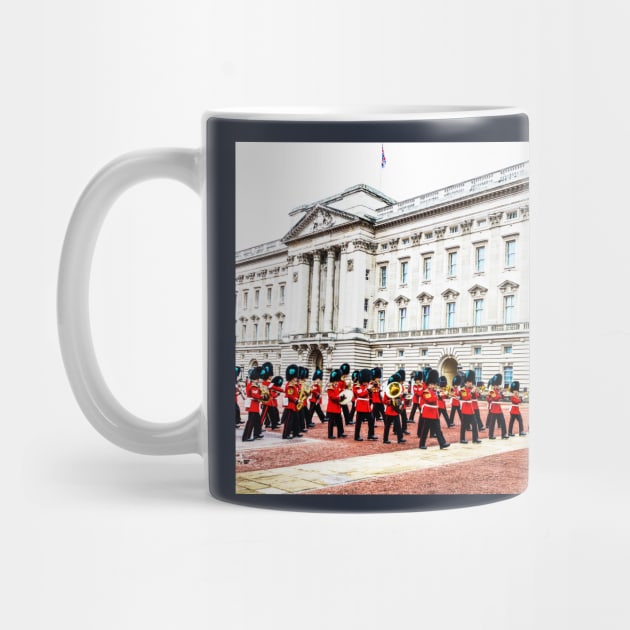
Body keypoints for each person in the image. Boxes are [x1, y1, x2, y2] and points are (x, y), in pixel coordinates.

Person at [418, 369, 450, 450]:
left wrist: (444, 394)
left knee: (438, 429)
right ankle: (422, 444)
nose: (433, 386)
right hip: (428, 413)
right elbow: (430, 400)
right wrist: (438, 395)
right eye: (432, 384)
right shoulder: (426, 392)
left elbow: (439, 398)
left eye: (434, 384)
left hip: (434, 413)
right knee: (425, 430)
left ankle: (442, 443)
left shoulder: (434, 391)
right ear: (428, 384)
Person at [242, 366, 265, 442]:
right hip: (252, 405)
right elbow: (254, 395)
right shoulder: (253, 385)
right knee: (250, 422)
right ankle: (246, 437)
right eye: (258, 378)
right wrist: (262, 396)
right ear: (256, 378)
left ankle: (257, 434)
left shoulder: (254, 385)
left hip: (255, 405)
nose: (259, 380)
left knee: (257, 421)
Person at [353, 369, 377, 441]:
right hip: (361, 406)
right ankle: (356, 436)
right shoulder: (357, 387)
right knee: (358, 422)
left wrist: (372, 388)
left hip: (367, 407)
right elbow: (361, 394)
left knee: (371, 420)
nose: (367, 382)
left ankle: (370, 435)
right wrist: (368, 389)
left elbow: (370, 396)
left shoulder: (367, 386)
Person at [460, 370, 482, 445]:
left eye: (471, 382)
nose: (470, 383)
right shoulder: (463, 390)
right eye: (469, 382)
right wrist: (472, 392)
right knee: (463, 426)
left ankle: (475, 439)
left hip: (471, 410)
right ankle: (462, 439)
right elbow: (466, 398)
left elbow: (476, 397)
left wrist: (477, 392)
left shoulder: (471, 389)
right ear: (465, 383)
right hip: (465, 410)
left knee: (475, 424)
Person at [382, 374, 406, 444]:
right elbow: (384, 401)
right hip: (389, 411)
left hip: (395, 410)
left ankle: (400, 438)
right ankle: (385, 439)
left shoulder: (397, 389)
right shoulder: (387, 391)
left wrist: (402, 396)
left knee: (398, 425)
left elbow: (399, 399)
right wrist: (390, 402)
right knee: (387, 426)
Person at [282, 364, 302, 439]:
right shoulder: (290, 385)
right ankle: (285, 434)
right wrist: (296, 400)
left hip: (294, 405)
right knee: (288, 421)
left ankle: (295, 432)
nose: (295, 379)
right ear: (292, 378)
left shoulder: (294, 385)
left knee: (296, 420)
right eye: (294, 378)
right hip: (290, 405)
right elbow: (289, 395)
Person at [486, 374, 508, 440]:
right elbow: (495, 398)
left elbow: (503, 397)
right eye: (497, 385)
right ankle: (490, 435)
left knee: (503, 422)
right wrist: (500, 394)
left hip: (498, 408)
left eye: (498, 385)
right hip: (494, 409)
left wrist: (502, 393)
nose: (498, 386)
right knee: (492, 423)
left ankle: (504, 434)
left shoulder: (498, 391)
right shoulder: (492, 391)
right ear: (494, 385)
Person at [326, 369, 346, 439]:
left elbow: (338, 395)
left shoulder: (336, 387)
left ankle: (340, 433)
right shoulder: (330, 387)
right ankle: (330, 435)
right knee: (331, 422)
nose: (337, 382)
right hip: (332, 407)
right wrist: (340, 398)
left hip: (337, 407)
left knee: (339, 421)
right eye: (336, 381)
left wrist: (342, 397)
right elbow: (332, 397)